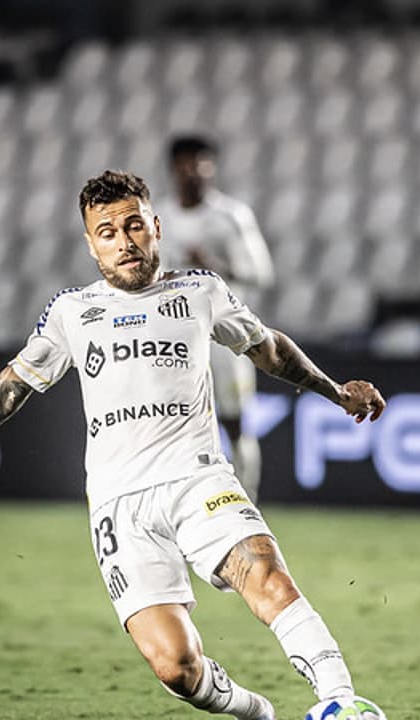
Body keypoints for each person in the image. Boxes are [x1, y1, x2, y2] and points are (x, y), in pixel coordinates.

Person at [0, 170, 387, 720]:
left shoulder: (200, 291)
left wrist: (335, 390)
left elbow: (267, 348)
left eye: (134, 226)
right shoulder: (71, 312)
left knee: (269, 578)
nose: (124, 241)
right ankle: (256, 712)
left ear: (156, 228)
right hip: (119, 503)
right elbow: (10, 389)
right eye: (107, 232)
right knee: (176, 667)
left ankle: (342, 702)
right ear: (91, 245)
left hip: (199, 479)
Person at [157, 136, 276, 501]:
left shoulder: (230, 216)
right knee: (173, 421)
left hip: (223, 334)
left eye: (200, 162)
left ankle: (248, 502)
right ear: (173, 168)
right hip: (175, 335)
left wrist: (213, 266)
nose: (192, 170)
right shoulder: (157, 217)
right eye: (184, 162)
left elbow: (261, 273)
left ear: (212, 167)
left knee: (234, 420)